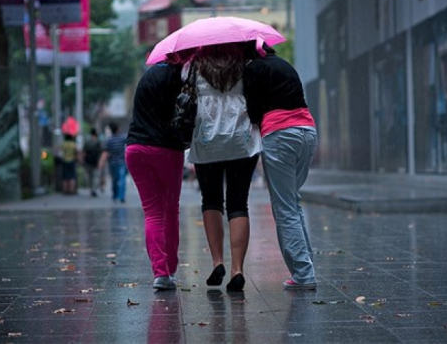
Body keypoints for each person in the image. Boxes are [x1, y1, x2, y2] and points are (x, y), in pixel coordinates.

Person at [243, 43, 318, 290]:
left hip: (281, 134)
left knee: (284, 207)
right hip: (307, 131)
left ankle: (304, 274)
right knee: (292, 202)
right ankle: (306, 266)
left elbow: (253, 111)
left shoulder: (253, 69)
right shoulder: (285, 65)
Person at [188, 42, 262, 292]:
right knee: (238, 203)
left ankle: (218, 262)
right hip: (241, 141)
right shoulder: (245, 66)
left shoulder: (193, 66)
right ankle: (237, 269)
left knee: (211, 201)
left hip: (207, 142)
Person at [125, 57, 190, 290]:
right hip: (166, 150)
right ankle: (169, 269)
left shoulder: (146, 77)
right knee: (170, 209)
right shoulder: (179, 79)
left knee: (152, 213)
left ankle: (160, 272)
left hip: (134, 149)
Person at [98, 122, 127, 203]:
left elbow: (105, 153)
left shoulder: (109, 140)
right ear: (118, 128)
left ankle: (115, 195)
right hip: (122, 162)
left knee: (115, 180)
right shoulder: (123, 137)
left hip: (112, 163)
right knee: (122, 179)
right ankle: (121, 196)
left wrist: (101, 162)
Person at [83, 128, 102, 197]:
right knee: (95, 176)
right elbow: (100, 152)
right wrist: (100, 161)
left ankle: (91, 189)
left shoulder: (87, 141)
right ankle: (94, 190)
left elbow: (84, 151)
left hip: (87, 161)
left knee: (89, 176)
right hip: (95, 161)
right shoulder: (98, 142)